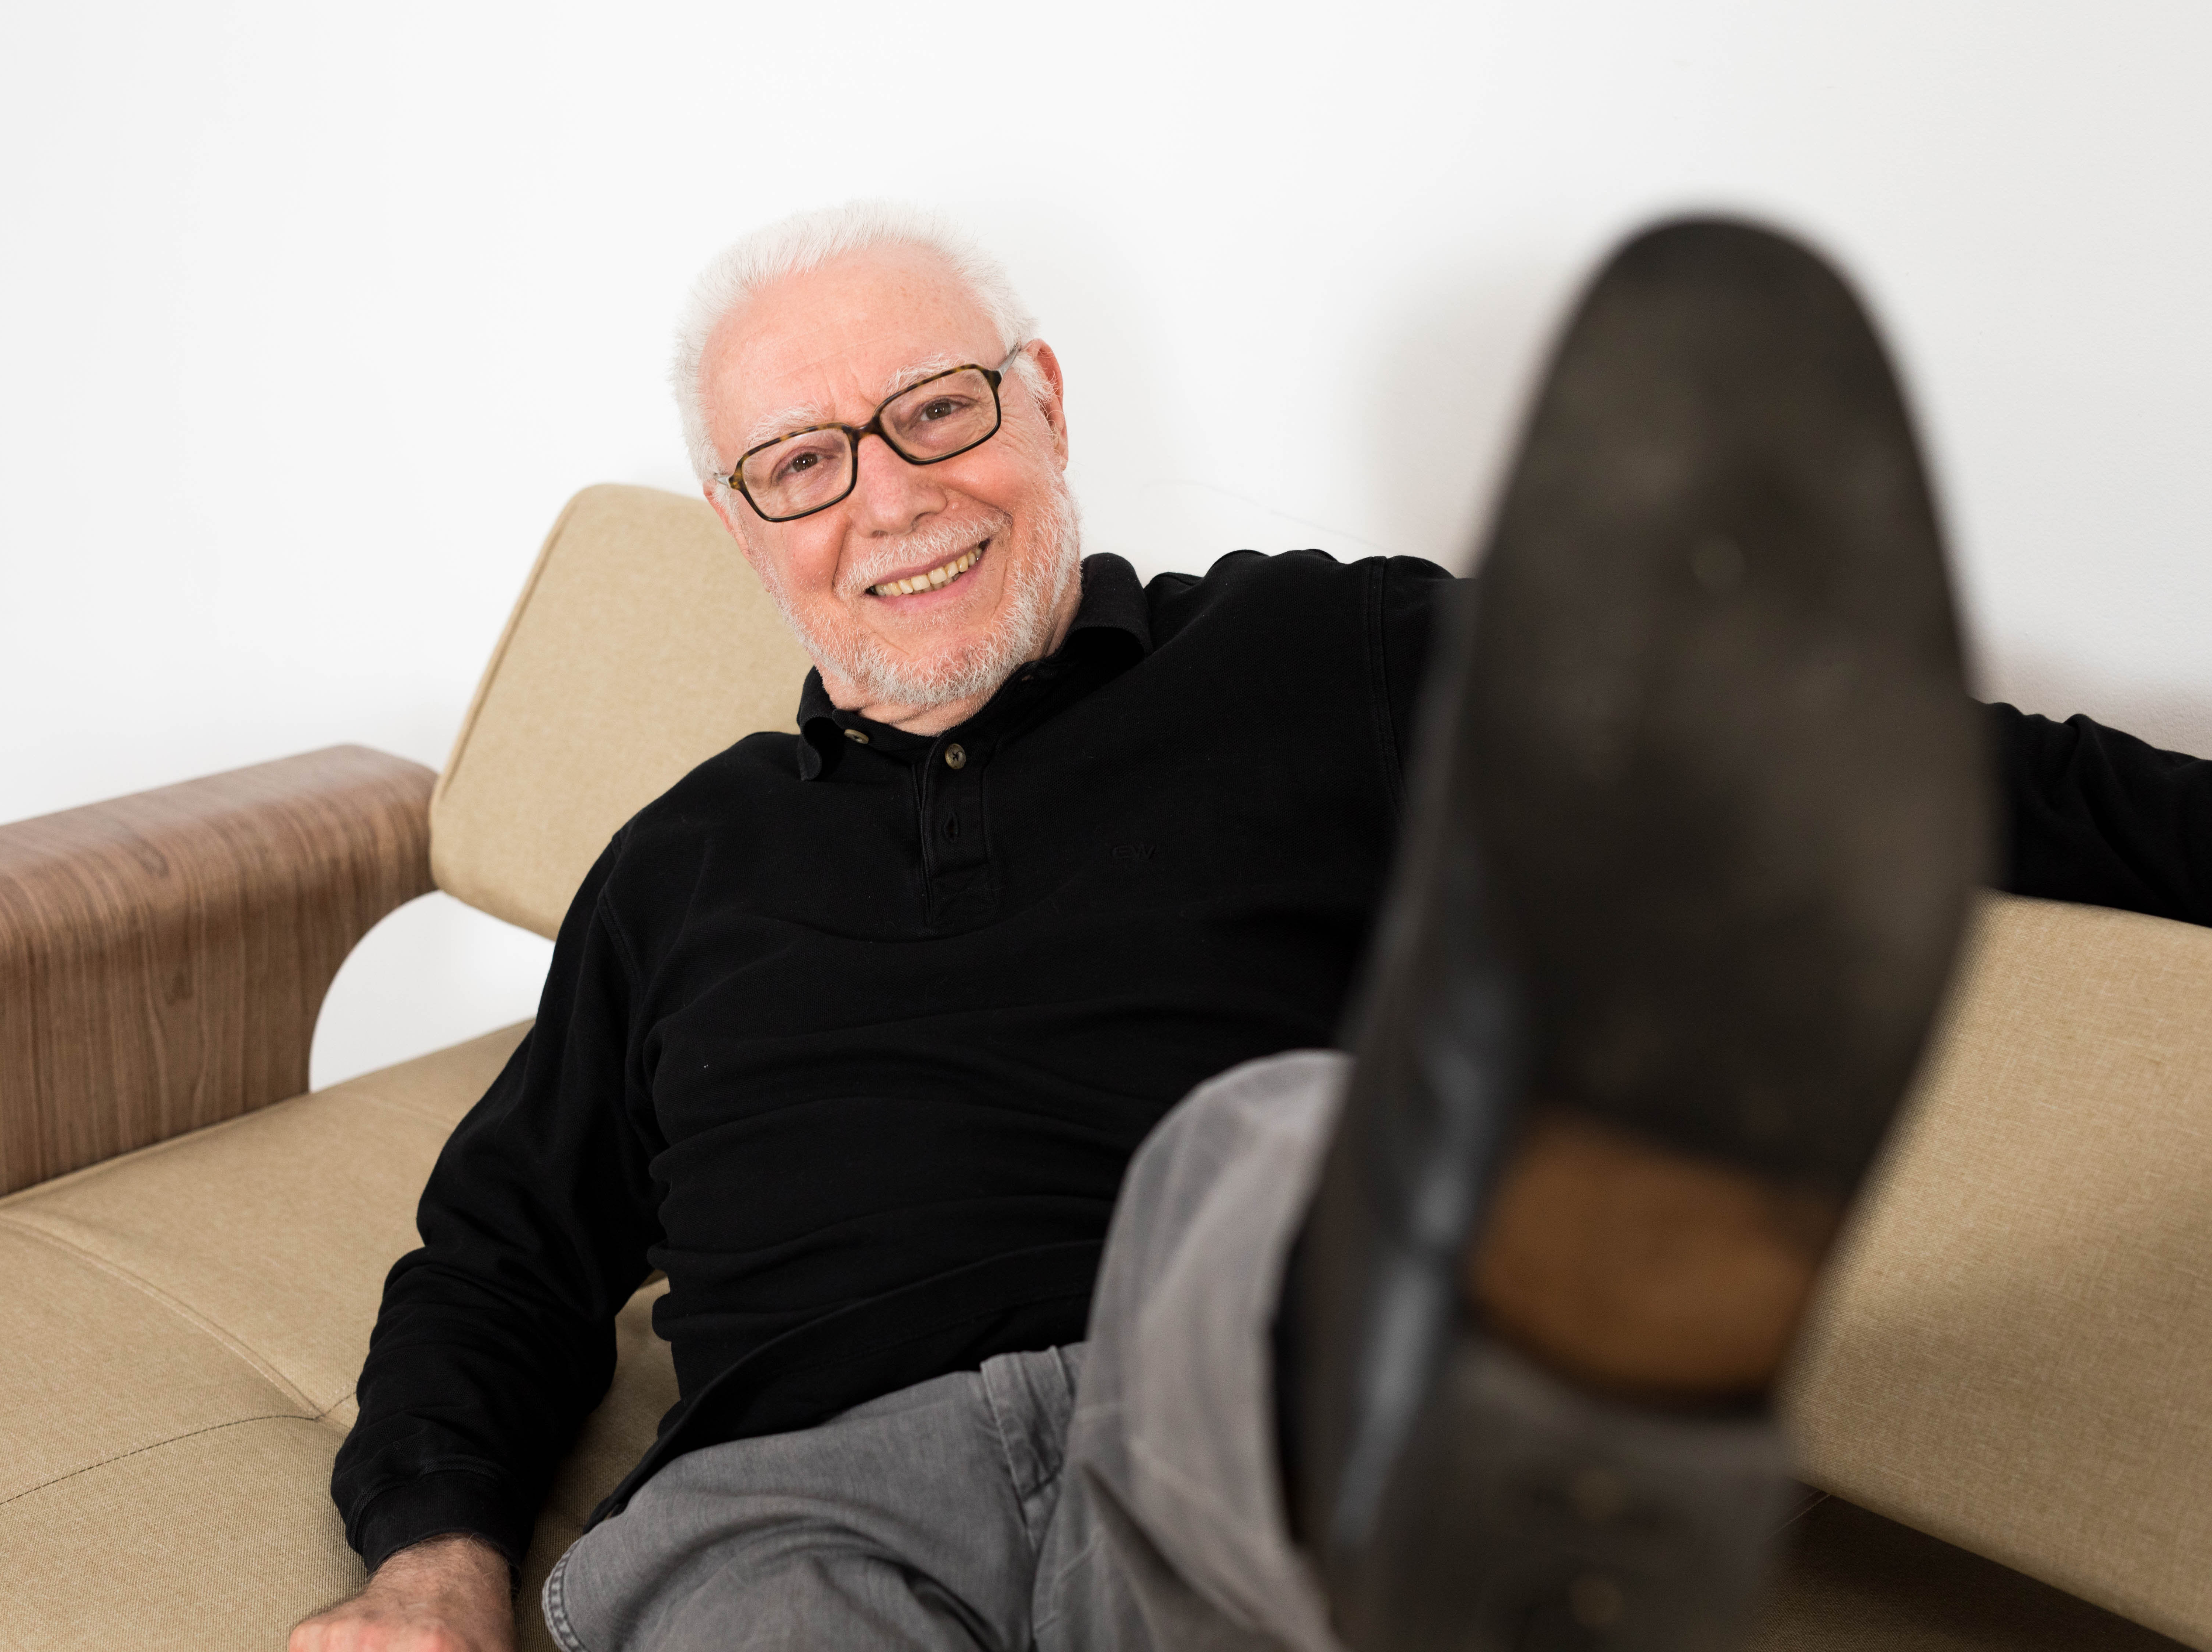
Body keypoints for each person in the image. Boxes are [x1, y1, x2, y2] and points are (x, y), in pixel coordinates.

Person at [291, 206, 2210, 1652]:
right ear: (741, 527)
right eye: (805, 462)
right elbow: (503, 1255)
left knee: (1276, 1156)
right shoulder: (682, 864)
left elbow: (1812, 749)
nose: (894, 497)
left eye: (938, 410)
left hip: (1226, 1413)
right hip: (808, 1503)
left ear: (1044, 404)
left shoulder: (1321, 656)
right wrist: (433, 1567)